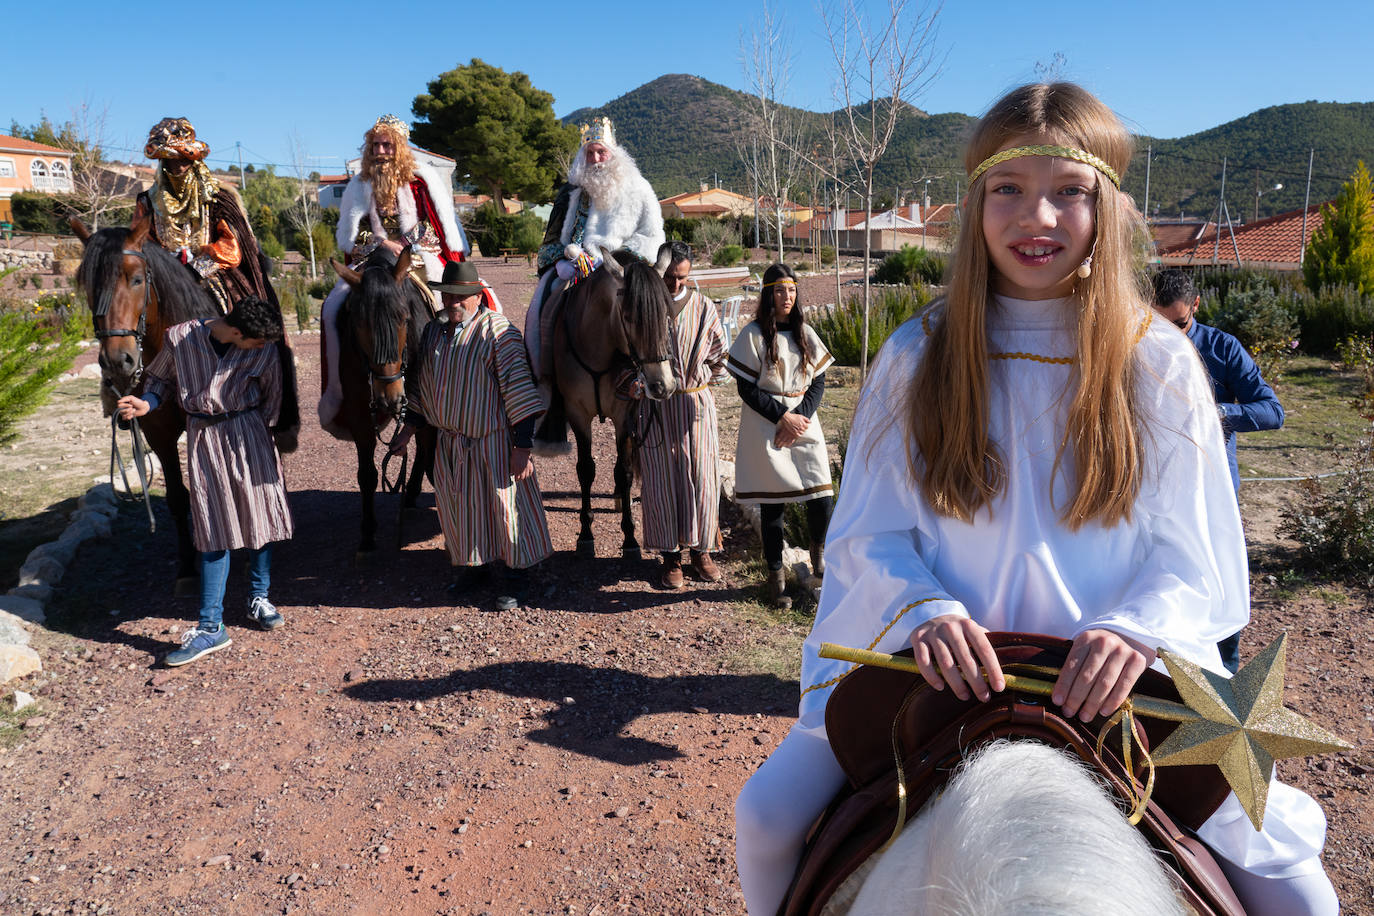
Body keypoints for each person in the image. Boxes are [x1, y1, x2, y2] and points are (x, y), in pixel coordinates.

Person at [734, 83, 1337, 916]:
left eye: (1069, 193)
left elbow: (1194, 550)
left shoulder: (1154, 362)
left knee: (1299, 890)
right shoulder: (920, 354)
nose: (1037, 218)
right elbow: (871, 531)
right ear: (977, 204)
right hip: (939, 672)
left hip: (1113, 685)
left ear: (1106, 210)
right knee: (763, 819)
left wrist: (1136, 629)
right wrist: (925, 611)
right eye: (1009, 190)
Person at [115, 297, 293, 667]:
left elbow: (274, 396)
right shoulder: (181, 338)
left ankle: (259, 597)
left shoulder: (264, 348)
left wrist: (269, 439)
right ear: (237, 332)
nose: (262, 349)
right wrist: (146, 404)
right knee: (213, 529)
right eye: (257, 342)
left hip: (251, 432)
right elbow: (160, 379)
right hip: (205, 439)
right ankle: (211, 626)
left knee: (259, 518)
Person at [387, 261, 552, 611]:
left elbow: (519, 391)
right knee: (459, 509)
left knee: (506, 509)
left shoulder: (499, 333)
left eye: (461, 297)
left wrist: (522, 447)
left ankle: (516, 577)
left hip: (493, 441)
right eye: (448, 295)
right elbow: (422, 391)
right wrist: (407, 430)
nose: (453, 302)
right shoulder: (433, 332)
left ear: (478, 296)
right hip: (450, 442)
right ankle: (473, 569)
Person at [320, 115, 487, 438]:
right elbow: (352, 235)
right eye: (376, 145)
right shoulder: (358, 185)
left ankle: (452, 383)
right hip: (372, 257)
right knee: (332, 306)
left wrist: (406, 244)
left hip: (418, 254)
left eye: (387, 145)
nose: (381, 151)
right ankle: (341, 390)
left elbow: (434, 223)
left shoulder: (421, 180)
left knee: (447, 300)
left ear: (399, 148)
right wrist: (381, 242)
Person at [137, 117, 299, 451]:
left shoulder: (218, 196)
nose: (178, 165)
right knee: (125, 322)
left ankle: (264, 403)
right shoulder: (147, 201)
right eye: (170, 159)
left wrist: (196, 268)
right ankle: (123, 390)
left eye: (184, 159)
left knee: (251, 320)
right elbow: (141, 244)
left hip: (213, 273)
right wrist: (166, 269)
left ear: (194, 160)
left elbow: (233, 246)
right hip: (163, 277)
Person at [1152, 268, 1284, 673]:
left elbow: (1271, 411)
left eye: (1179, 324)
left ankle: (1225, 680)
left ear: (1195, 306)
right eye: (1159, 324)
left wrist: (1218, 412)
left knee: (1217, 577)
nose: (1170, 336)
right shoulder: (1133, 344)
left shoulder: (1223, 347)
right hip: (1151, 488)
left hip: (1212, 488)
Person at [526, 117, 664, 405]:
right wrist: (566, 257)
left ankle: (655, 374)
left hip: (626, 272)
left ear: (614, 154)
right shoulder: (570, 193)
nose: (596, 159)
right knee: (543, 304)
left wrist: (616, 261)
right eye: (590, 153)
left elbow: (652, 238)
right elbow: (549, 245)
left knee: (652, 312)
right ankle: (548, 387)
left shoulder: (638, 189)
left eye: (601, 152)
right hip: (575, 270)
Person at [726, 263, 834, 610]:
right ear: (768, 293)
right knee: (773, 508)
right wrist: (781, 417)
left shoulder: (805, 332)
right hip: (766, 425)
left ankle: (818, 560)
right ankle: (777, 581)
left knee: (821, 497)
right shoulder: (754, 334)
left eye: (791, 289)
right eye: (779, 290)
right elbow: (745, 387)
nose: (786, 296)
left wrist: (799, 417)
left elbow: (818, 380)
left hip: (803, 423)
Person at [637, 241, 729, 588]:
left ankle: (702, 552)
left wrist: (701, 379)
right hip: (657, 408)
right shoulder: (646, 309)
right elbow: (630, 356)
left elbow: (721, 358)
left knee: (702, 479)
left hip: (695, 406)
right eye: (671, 278)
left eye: (683, 278)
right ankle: (671, 557)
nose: (676, 285)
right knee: (662, 483)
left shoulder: (705, 308)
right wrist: (638, 383)